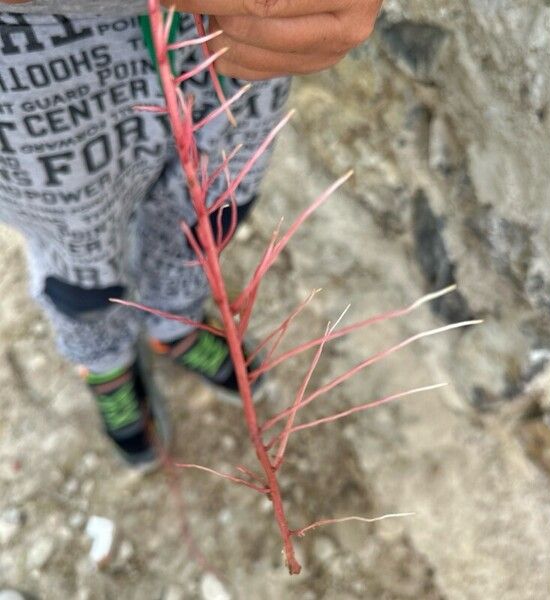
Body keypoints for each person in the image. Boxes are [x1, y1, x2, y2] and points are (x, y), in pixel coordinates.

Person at [0, 0, 383, 469]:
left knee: (208, 216)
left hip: (225, 31)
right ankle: (105, 362)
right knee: (79, 264)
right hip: (25, 60)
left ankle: (174, 324)